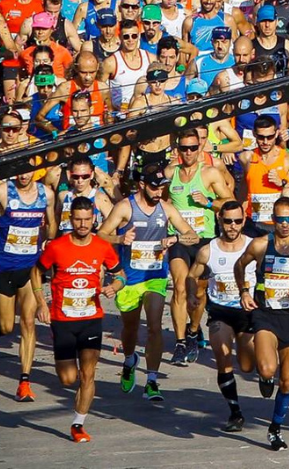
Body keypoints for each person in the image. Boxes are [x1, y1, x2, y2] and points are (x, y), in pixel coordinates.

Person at [97, 167, 200, 402]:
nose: (158, 191)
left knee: (154, 326)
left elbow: (192, 235)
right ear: (142, 185)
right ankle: (129, 359)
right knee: (131, 328)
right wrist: (120, 239)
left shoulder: (165, 208)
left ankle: (152, 381)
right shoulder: (125, 207)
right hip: (130, 278)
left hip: (155, 276)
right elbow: (101, 234)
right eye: (154, 187)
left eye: (162, 187)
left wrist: (175, 238)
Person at [235, 195, 289, 451]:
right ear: (272, 219)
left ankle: (275, 427)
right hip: (265, 314)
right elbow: (240, 266)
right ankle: (264, 378)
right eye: (279, 219)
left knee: (287, 382)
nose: (284, 224)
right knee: (265, 369)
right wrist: (244, 291)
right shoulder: (261, 244)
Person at [37, 196, 124, 443]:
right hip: (63, 319)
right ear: (71, 219)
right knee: (68, 378)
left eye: (87, 219)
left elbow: (121, 275)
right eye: (78, 219)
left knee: (88, 374)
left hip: (91, 318)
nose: (83, 224)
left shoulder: (102, 246)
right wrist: (41, 302)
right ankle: (76, 396)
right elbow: (36, 272)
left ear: (94, 219)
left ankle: (78, 424)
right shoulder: (56, 247)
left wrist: (114, 287)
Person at [0, 168, 57, 400]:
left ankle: (24, 381)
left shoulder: (46, 194)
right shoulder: (2, 191)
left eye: (28, 172)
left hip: (30, 267)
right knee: (7, 326)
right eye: (19, 172)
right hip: (2, 265)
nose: (23, 176)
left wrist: (49, 239)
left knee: (29, 322)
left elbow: (52, 222)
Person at [166, 127, 234, 364]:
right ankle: (180, 341)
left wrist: (208, 203)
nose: (188, 153)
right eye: (184, 148)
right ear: (178, 149)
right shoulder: (170, 173)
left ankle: (194, 330)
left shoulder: (210, 173)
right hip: (179, 240)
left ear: (200, 148)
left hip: (204, 240)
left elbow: (231, 204)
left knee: (198, 292)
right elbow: (160, 201)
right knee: (179, 287)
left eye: (193, 148)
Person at [188, 198, 257, 433]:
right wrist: (191, 294)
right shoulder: (208, 250)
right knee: (222, 354)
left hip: (248, 312)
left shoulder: (253, 246)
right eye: (228, 221)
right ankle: (235, 412)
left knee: (247, 366)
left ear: (244, 221)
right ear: (220, 221)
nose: (233, 226)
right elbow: (191, 275)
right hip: (220, 312)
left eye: (238, 221)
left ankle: (264, 375)